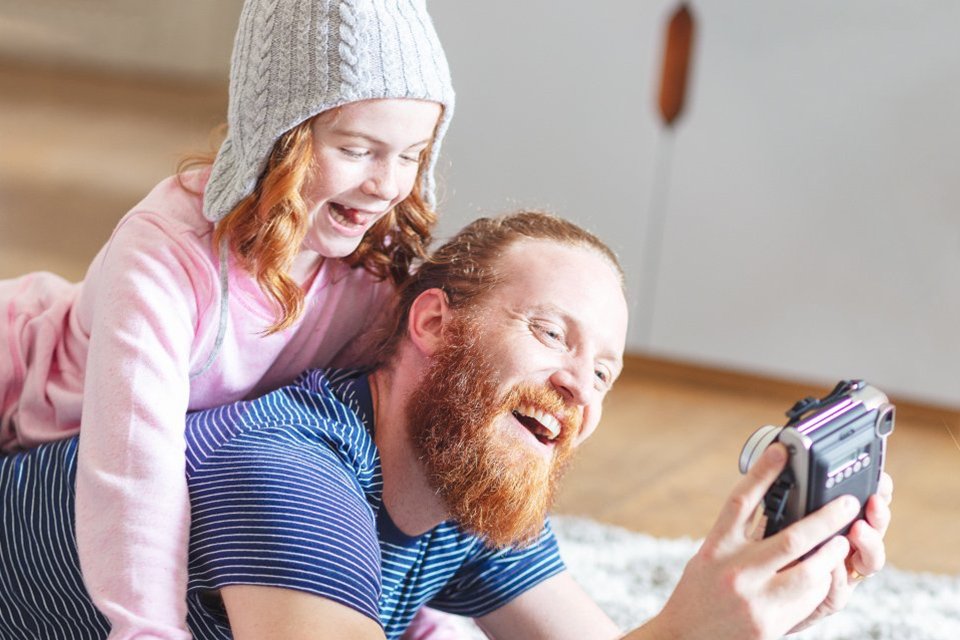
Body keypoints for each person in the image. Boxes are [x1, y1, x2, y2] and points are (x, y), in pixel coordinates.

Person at [0, 211, 892, 640]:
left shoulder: (467, 483)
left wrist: (740, 607)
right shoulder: (291, 474)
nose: (578, 386)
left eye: (604, 372)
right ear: (433, 325)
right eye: (550, 334)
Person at [0, 0, 454, 636]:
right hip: (23, 395)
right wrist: (148, 630)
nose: (387, 185)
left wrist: (406, 620)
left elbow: (355, 462)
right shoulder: (164, 256)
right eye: (357, 149)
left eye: (411, 155)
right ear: (279, 137)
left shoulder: (368, 277)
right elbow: (132, 474)